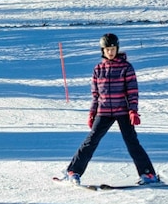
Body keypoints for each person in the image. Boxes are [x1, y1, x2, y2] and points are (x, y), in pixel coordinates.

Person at [63, 33, 159, 185]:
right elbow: (95, 95)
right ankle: (73, 171)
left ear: (117, 48)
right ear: (103, 50)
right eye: (107, 49)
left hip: (123, 110)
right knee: (91, 141)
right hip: (104, 111)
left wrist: (133, 110)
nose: (111, 52)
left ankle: (148, 174)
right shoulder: (98, 69)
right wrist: (92, 113)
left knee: (132, 142)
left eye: (113, 48)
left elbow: (132, 91)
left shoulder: (126, 68)